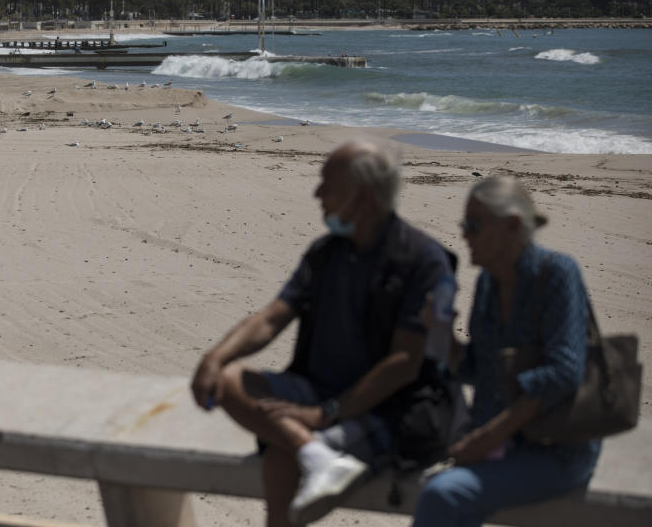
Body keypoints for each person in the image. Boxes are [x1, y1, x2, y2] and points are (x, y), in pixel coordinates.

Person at [191, 140, 454, 526]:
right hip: (317, 392)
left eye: (326, 183)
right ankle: (314, 452)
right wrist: (214, 358)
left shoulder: (423, 260)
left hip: (389, 408)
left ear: (359, 195)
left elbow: (405, 364)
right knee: (230, 380)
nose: (316, 193)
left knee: (283, 453)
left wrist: (324, 413)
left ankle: (310, 453)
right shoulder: (326, 253)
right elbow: (272, 317)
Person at [413, 176, 601, 526]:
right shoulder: (488, 282)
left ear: (512, 226)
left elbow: (564, 372)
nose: (465, 234)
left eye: (473, 225)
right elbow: (478, 370)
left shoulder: (557, 272)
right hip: (501, 443)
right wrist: (443, 336)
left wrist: (488, 438)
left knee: (443, 495)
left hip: (554, 447)